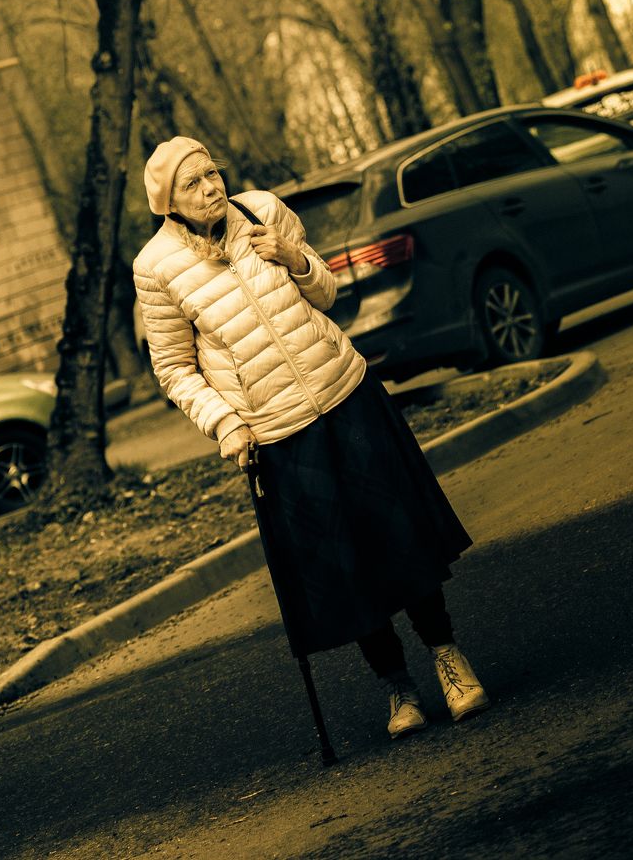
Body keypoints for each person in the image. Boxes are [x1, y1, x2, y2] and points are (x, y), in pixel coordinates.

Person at [134, 136, 489, 740]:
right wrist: (226, 422)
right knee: (343, 563)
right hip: (278, 432)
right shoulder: (156, 267)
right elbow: (173, 369)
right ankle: (398, 685)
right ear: (168, 202)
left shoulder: (261, 210)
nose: (211, 187)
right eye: (193, 183)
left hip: (345, 395)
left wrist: (293, 258)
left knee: (399, 535)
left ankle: (447, 656)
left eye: (212, 173)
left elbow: (326, 292)